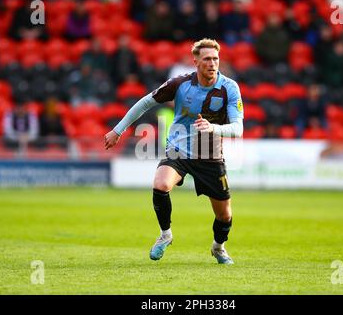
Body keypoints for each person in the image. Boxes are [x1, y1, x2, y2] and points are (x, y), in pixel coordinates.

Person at [104, 39, 244, 264]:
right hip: (179, 149)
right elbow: (145, 103)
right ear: (196, 62)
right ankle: (165, 235)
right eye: (207, 59)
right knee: (160, 184)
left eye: (215, 59)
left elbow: (238, 128)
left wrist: (213, 127)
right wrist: (118, 130)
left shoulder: (229, 87)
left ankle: (219, 247)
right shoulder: (180, 84)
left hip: (210, 154)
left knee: (224, 215)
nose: (212, 63)